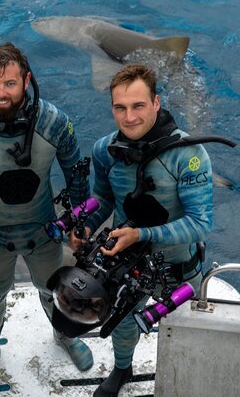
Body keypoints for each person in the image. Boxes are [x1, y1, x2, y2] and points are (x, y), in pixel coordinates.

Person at [0, 42, 93, 392]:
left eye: (9, 83)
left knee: (51, 287)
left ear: (26, 80)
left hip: (44, 233)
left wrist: (80, 224)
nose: (1, 93)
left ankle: (63, 334)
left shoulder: (54, 123)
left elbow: (78, 179)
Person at [69, 63, 215, 396]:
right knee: (121, 325)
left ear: (156, 103)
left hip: (180, 269)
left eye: (138, 106)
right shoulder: (105, 151)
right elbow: (102, 201)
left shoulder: (189, 155)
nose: (129, 116)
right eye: (120, 108)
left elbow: (200, 224)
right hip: (126, 265)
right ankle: (123, 369)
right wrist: (84, 225)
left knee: (185, 333)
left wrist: (141, 235)